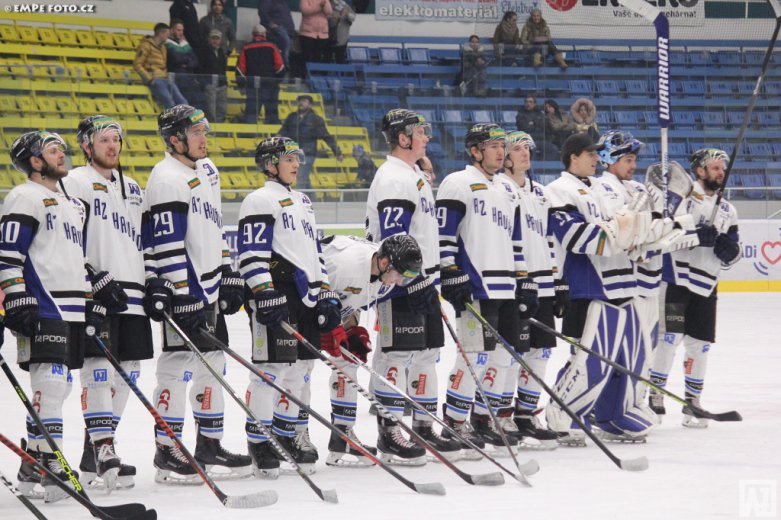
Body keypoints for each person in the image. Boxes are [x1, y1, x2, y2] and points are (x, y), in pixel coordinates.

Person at [143, 105, 251, 483]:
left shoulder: (207, 170)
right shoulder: (166, 178)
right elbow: (167, 243)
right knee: (176, 368)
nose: (204, 139)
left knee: (214, 365)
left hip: (209, 288)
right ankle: (167, 449)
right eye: (195, 133)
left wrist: (227, 270)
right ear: (175, 140)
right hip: (184, 291)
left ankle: (209, 445)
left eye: (204, 131)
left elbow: (215, 227)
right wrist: (180, 291)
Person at [237, 136, 343, 476]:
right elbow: (250, 254)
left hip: (306, 296)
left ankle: (286, 435)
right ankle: (259, 441)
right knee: (270, 372)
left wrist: (324, 291)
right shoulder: (259, 199)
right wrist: (263, 291)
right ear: (270, 164)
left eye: (298, 158)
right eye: (289, 159)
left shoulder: (303, 201)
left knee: (301, 370)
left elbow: (315, 251)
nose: (297, 164)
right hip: (277, 293)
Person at [544, 133, 659, 445]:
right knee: (587, 359)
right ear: (573, 157)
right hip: (587, 286)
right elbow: (574, 237)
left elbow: (627, 228)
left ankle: (613, 414)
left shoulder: (601, 188)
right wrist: (619, 233)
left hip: (621, 284)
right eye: (590, 154)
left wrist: (643, 232)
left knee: (624, 359)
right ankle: (564, 416)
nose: (597, 159)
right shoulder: (559, 189)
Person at [2, 131, 95, 501]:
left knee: (60, 387)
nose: (62, 154)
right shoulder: (25, 196)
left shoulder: (69, 203)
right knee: (51, 384)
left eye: (61, 149)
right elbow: (8, 254)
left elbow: (73, 258)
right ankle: (51, 463)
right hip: (43, 304)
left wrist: (91, 297)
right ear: (35, 161)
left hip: (71, 307)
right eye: (53, 150)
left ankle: (32, 460)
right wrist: (16, 297)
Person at [61, 116, 153, 491]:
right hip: (96, 293)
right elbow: (66, 237)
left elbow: (143, 239)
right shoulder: (75, 182)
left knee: (128, 372)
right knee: (98, 369)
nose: (113, 145)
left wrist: (153, 280)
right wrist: (90, 275)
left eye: (116, 139)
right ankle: (103, 447)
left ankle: (96, 452)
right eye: (104, 140)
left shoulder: (133, 187)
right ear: (87, 146)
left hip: (133, 295)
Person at [366, 108, 453, 465]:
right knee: (396, 355)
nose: (427, 137)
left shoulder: (412, 175)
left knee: (427, 355)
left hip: (423, 282)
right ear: (402, 138)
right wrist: (413, 282)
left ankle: (423, 426)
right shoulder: (393, 178)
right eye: (420, 132)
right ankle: (389, 432)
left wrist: (427, 281)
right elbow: (393, 239)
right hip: (399, 284)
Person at [436, 123, 530, 456]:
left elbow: (515, 239)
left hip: (506, 286)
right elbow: (444, 234)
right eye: (493, 146)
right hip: (477, 286)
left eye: (502, 146)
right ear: (475, 151)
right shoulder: (457, 182)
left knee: (503, 358)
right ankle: (454, 421)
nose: (500, 152)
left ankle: (484, 418)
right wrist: (450, 272)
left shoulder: (507, 188)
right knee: (473, 358)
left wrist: (524, 279)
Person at [648, 148, 741, 428]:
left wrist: (730, 251)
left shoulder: (728, 210)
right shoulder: (683, 197)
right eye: (715, 168)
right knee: (668, 339)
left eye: (722, 168)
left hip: (707, 284)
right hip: (676, 279)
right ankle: (655, 396)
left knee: (700, 346)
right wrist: (694, 235)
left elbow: (734, 254)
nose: (721, 173)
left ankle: (693, 402)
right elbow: (664, 235)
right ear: (700, 171)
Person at [317, 234, 425, 466]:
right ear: (385, 263)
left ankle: (342, 436)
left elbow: (351, 301)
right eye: (400, 275)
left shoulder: (385, 272)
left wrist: (351, 328)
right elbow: (316, 294)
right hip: (300, 298)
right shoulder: (345, 267)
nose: (400, 282)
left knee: (347, 359)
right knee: (296, 367)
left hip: (335, 297)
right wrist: (328, 328)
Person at [495, 130, 564, 449]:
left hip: (544, 283)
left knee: (542, 351)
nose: (526, 154)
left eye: (528, 149)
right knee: (514, 352)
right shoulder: (501, 189)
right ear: (505, 157)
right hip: (517, 284)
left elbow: (549, 239)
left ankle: (527, 413)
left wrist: (558, 280)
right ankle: (502, 414)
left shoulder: (541, 192)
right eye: (518, 149)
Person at [278, 95, 343, 190]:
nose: (301, 103)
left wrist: (337, 152)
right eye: (300, 101)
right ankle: (312, 198)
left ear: (310, 104)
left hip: (308, 152)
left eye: (304, 101)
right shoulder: (291, 117)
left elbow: (326, 136)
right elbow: (283, 131)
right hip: (294, 152)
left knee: (301, 177)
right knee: (304, 179)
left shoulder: (316, 119)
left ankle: (299, 199)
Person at [235, 25, 285, 125]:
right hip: (270, 85)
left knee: (251, 115)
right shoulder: (272, 46)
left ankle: (249, 133)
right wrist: (277, 80)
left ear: (253, 34)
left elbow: (240, 70)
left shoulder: (246, 48)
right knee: (271, 115)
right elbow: (280, 66)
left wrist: (242, 85)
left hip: (252, 85)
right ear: (264, 34)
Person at [133, 23, 188, 109]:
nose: (168, 36)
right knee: (169, 101)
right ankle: (173, 117)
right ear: (161, 33)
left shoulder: (163, 47)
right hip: (155, 79)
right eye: (167, 34)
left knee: (183, 102)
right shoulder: (146, 46)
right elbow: (137, 64)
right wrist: (149, 79)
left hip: (165, 78)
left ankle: (185, 116)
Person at [167, 20, 205, 115]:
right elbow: (175, 59)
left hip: (189, 78)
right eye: (178, 30)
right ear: (171, 30)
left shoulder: (185, 43)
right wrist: (188, 60)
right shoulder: (167, 44)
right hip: (176, 79)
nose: (181, 33)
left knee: (199, 102)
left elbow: (195, 61)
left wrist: (186, 64)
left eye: (182, 30)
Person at [198, 29, 228, 123]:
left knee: (222, 108)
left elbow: (223, 69)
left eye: (217, 38)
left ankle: (220, 127)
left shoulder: (221, 52)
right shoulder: (203, 52)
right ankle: (211, 127)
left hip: (221, 84)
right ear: (209, 39)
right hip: (209, 84)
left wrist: (225, 83)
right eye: (213, 38)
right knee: (210, 109)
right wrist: (205, 84)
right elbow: (200, 69)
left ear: (220, 40)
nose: (215, 41)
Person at [516, 95, 558, 160]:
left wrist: (533, 123)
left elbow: (545, 126)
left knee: (553, 149)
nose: (528, 104)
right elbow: (525, 128)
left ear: (534, 104)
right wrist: (537, 124)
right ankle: (532, 166)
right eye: (526, 102)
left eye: (530, 102)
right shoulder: (520, 115)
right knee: (532, 148)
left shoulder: (541, 114)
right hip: (528, 140)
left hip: (541, 140)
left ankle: (545, 165)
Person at [258, 0, 296, 68]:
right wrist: (271, 25)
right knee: (285, 43)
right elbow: (263, 13)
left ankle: (285, 67)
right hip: (276, 32)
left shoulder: (283, 2)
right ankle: (284, 67)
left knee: (290, 50)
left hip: (288, 31)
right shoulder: (267, 1)